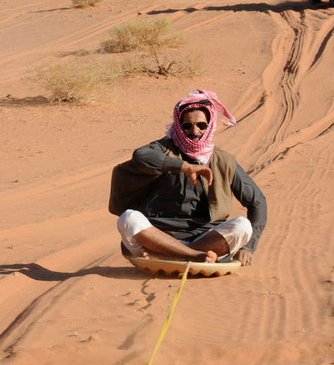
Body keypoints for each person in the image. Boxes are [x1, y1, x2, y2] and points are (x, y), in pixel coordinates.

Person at [111, 89, 267, 266]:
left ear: (210, 125)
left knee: (242, 226)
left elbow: (257, 202)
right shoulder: (163, 149)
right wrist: (184, 167)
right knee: (128, 219)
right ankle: (192, 257)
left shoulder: (223, 161)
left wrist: (249, 247)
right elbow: (141, 156)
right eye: (187, 126)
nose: (195, 131)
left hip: (204, 240)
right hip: (159, 236)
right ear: (178, 126)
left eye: (201, 125)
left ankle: (176, 257)